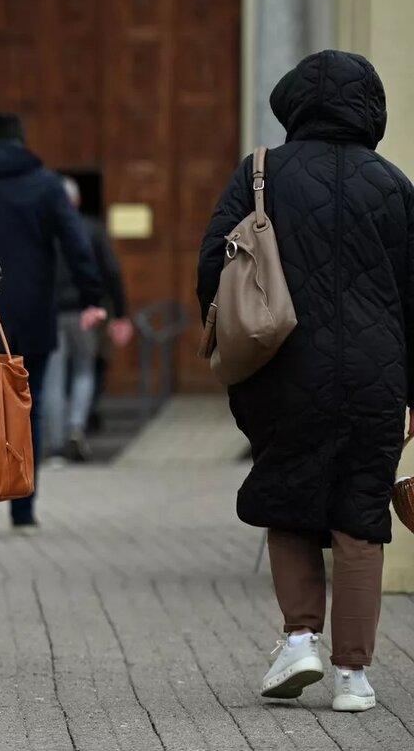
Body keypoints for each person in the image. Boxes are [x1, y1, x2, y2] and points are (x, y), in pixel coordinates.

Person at [198, 50, 413, 713]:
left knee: (288, 493)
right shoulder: (395, 183)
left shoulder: (261, 172)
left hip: (284, 366)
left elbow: (214, 266)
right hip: (379, 374)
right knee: (361, 515)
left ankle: (298, 640)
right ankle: (354, 675)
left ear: (292, 104)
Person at [0, 114, 106, 539]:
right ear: (21, 142)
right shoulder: (47, 185)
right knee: (29, 406)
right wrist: (92, 295)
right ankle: (23, 509)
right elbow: (76, 243)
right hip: (34, 315)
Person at [42, 176, 133, 463]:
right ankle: (75, 428)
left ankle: (56, 447)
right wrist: (120, 313)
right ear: (78, 201)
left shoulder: (43, 230)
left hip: (51, 312)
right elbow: (111, 271)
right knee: (84, 369)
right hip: (85, 313)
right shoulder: (91, 229)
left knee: (53, 379)